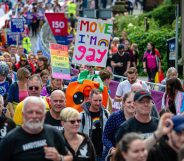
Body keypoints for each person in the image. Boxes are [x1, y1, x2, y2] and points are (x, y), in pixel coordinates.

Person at [0, 96, 73, 161]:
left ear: (44, 115)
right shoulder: (9, 140)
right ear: (23, 115)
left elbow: (69, 156)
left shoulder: (53, 133)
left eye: (38, 112)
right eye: (30, 112)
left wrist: (60, 158)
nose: (34, 116)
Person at [102, 92, 135, 161]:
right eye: (129, 102)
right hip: (113, 156)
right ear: (123, 103)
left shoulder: (139, 118)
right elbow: (105, 137)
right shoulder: (115, 116)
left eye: (134, 102)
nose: (132, 105)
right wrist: (111, 148)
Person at [79, 88, 109, 161]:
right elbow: (78, 135)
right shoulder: (82, 115)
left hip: (102, 154)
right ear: (90, 99)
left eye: (100, 100)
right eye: (95, 100)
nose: (98, 103)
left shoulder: (106, 114)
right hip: (87, 154)